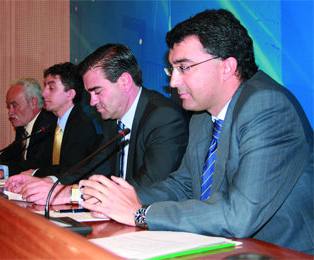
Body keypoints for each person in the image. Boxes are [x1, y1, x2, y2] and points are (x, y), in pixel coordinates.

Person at [79, 9, 314, 254]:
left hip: (280, 252)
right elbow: (183, 185)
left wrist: (141, 214)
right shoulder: (202, 116)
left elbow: (239, 215)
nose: (173, 82)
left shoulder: (267, 107)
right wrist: (115, 200)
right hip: (227, 248)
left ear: (226, 67)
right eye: (173, 69)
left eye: (184, 68)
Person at [5, 43, 190, 205]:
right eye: (89, 94)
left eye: (97, 91)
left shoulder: (164, 118)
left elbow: (148, 185)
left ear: (124, 82)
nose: (92, 102)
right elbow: (93, 167)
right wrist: (51, 182)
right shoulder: (112, 120)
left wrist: (71, 194)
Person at [19, 62, 99, 178]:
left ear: (70, 94)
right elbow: (40, 162)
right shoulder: (51, 125)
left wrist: (35, 173)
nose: (43, 93)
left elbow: (71, 169)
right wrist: (6, 170)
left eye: (51, 88)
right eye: (45, 86)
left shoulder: (82, 126)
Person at [0, 78, 56, 178]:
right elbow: (12, 153)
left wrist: (4, 171)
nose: (10, 113)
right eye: (8, 106)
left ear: (33, 102)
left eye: (14, 106)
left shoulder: (48, 125)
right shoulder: (22, 127)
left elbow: (39, 163)